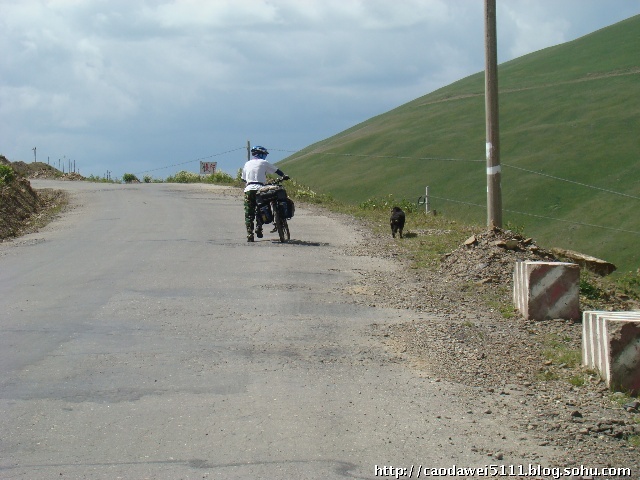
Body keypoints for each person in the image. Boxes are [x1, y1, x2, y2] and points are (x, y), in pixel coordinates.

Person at [241, 145, 289, 242]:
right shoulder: (264, 162)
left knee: (249, 213)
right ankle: (259, 226)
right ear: (261, 154)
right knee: (262, 208)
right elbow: (277, 171)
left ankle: (250, 234)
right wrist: (284, 175)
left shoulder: (247, 163)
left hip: (248, 189)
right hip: (260, 190)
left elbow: (243, 179)